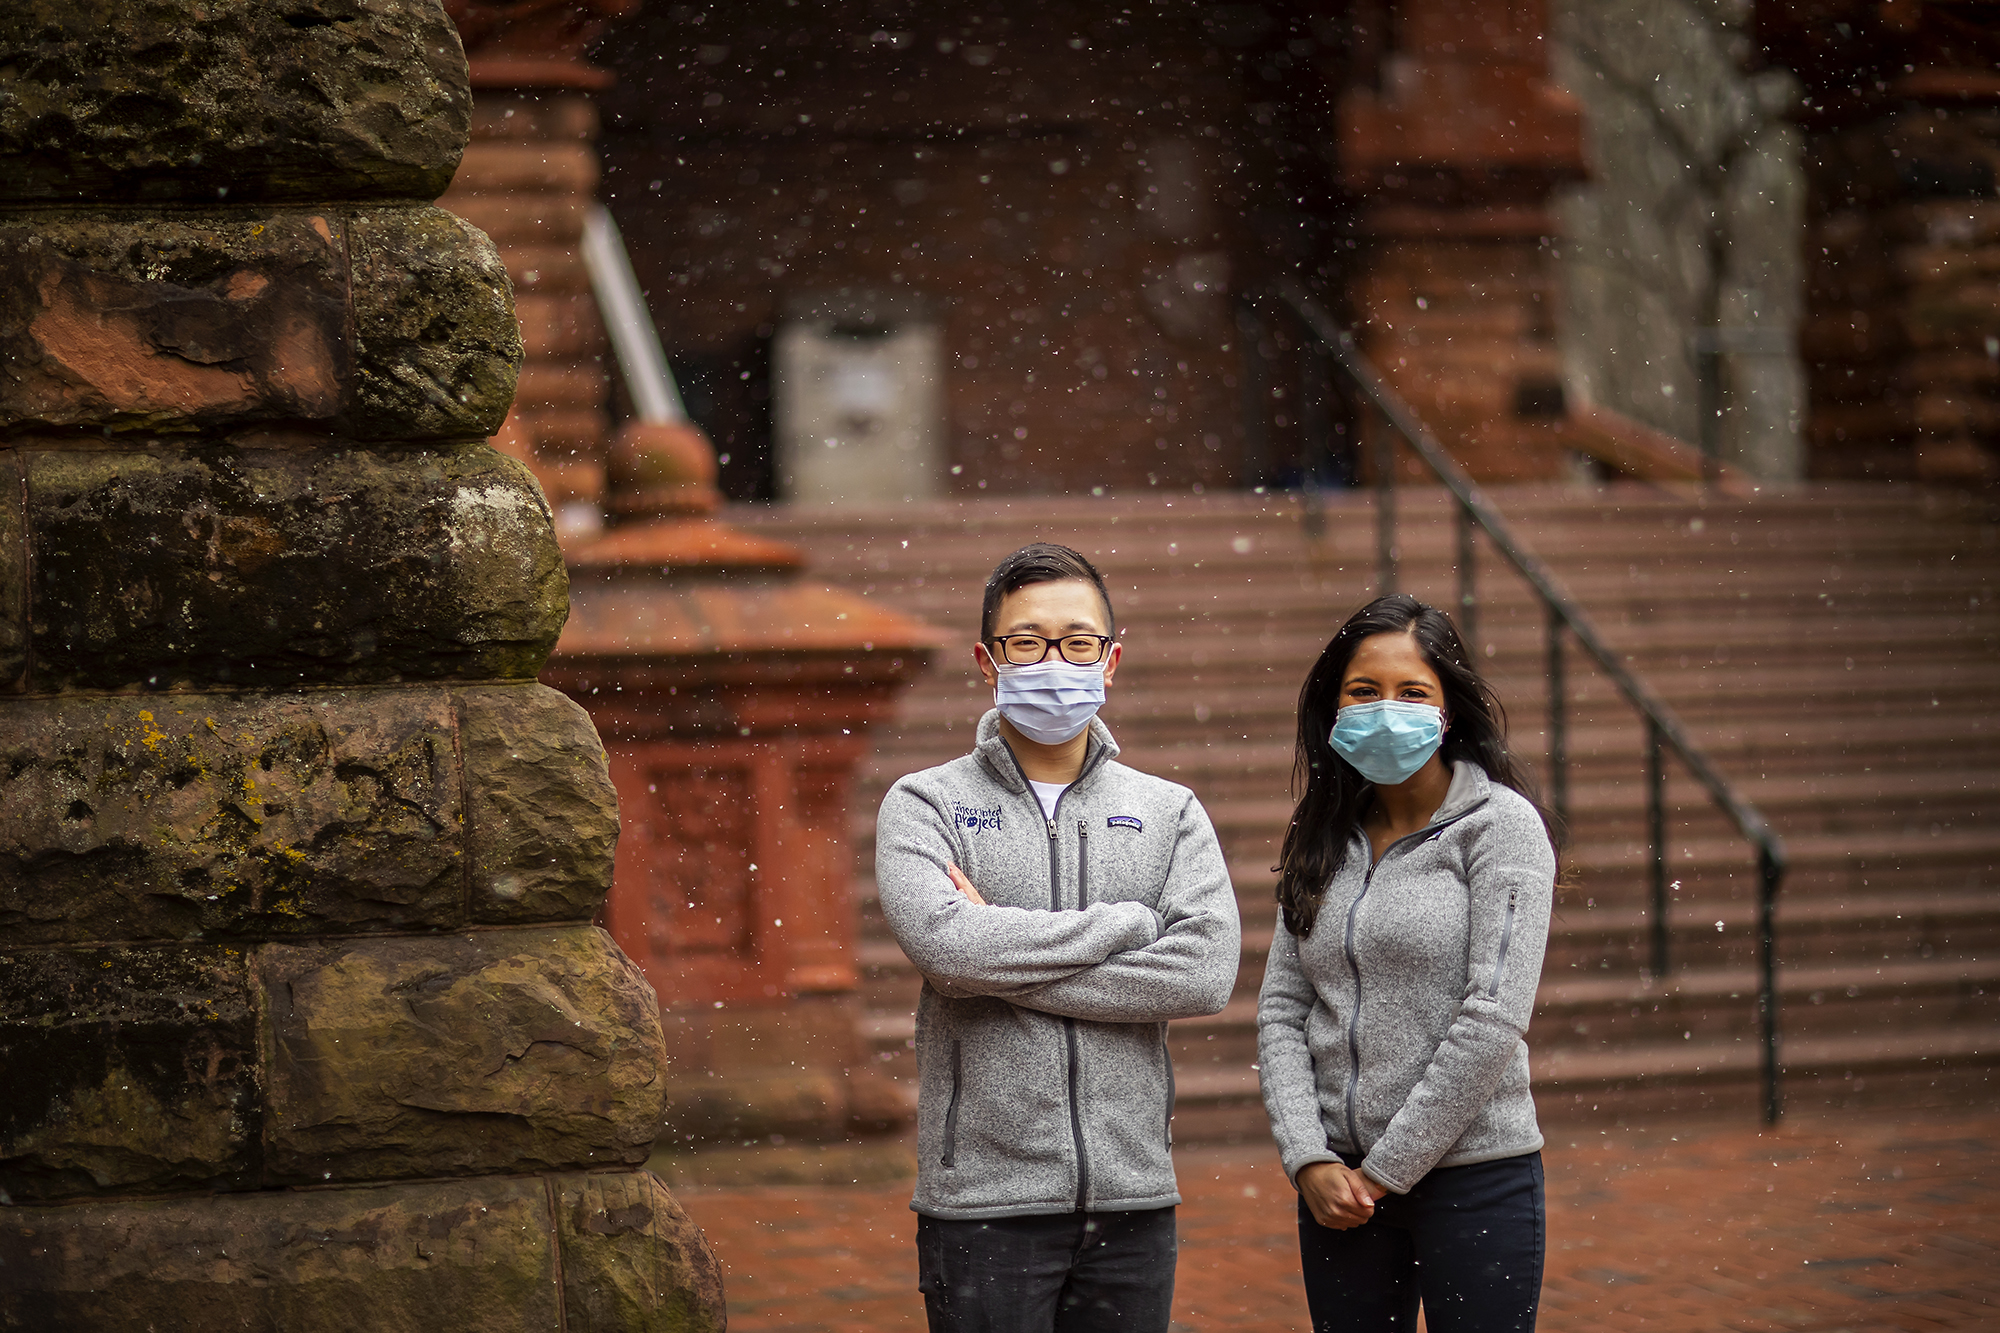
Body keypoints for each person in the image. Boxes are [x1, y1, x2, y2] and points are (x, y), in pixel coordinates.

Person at [875, 542, 1242, 1333]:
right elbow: (947, 949)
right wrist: (1131, 924)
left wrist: (992, 963)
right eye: (1027, 641)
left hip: (1133, 1199)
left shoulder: (1168, 811)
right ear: (987, 659)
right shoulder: (925, 803)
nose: (1054, 660)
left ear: (1110, 660)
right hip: (981, 1204)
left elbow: (1205, 973)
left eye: (1078, 641)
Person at [1257, 593, 1559, 1333]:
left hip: (1475, 1177)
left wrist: (1386, 1170)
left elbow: (1493, 1018)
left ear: (1448, 708)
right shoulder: (1323, 834)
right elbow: (1282, 1010)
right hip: (1338, 1190)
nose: (1386, 709)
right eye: (1364, 690)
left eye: (1412, 691)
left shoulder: (1502, 828)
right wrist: (1309, 1158)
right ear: (1333, 708)